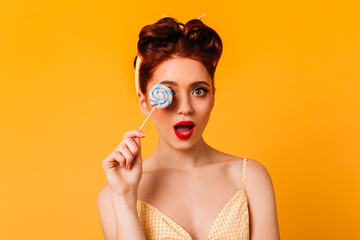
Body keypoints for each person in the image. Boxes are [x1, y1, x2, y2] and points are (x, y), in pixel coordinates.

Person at [97, 15, 280, 240]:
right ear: (144, 101)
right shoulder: (114, 194)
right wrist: (125, 198)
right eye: (168, 92)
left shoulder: (249, 178)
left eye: (198, 91)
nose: (185, 108)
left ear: (213, 97)